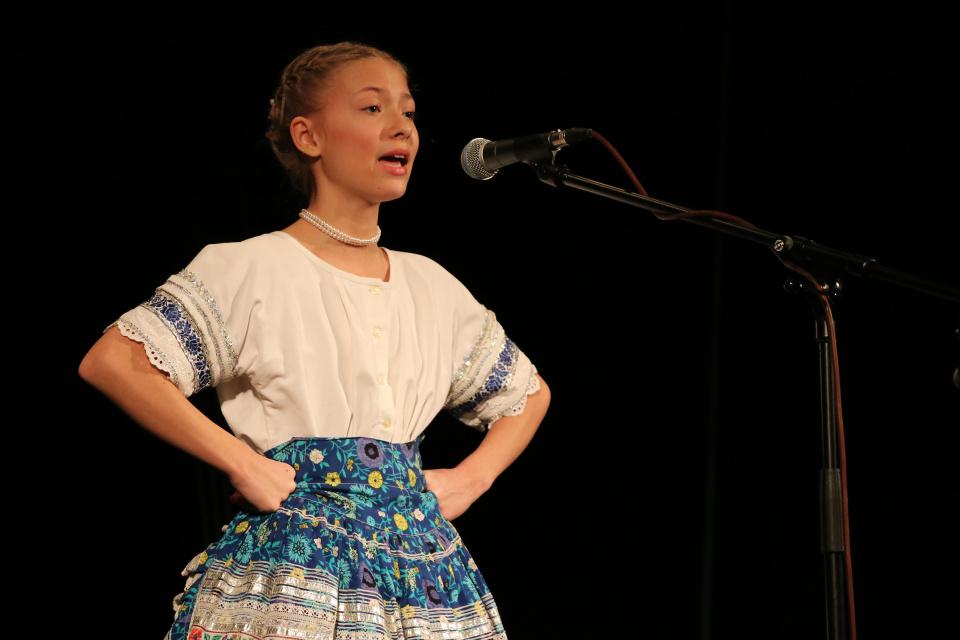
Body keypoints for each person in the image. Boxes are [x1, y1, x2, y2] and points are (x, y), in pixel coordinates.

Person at [77, 41, 550, 640]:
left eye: (408, 112)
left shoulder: (432, 286)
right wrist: (242, 462)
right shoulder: (252, 269)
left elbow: (526, 393)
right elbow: (116, 361)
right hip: (297, 566)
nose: (401, 127)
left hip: (422, 576)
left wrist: (472, 477)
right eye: (373, 108)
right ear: (308, 136)